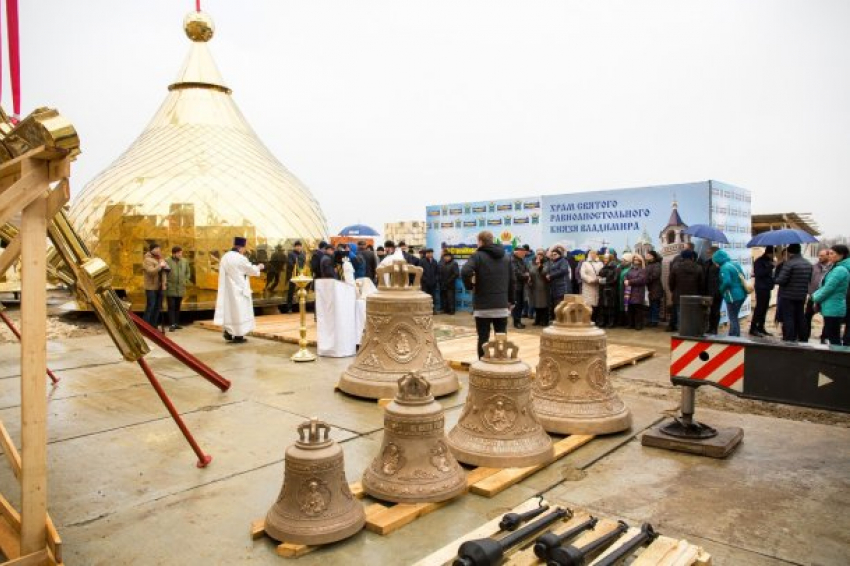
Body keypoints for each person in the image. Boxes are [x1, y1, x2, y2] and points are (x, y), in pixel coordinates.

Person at [461, 230, 514, 359]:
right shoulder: (506, 257)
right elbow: (512, 281)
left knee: (483, 338)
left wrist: (470, 286)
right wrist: (511, 301)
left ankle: (482, 365)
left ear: (480, 241)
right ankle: (501, 365)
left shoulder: (477, 256)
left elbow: (465, 271)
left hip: (483, 306)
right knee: (501, 338)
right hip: (501, 305)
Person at [213, 236, 265, 342]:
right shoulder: (240, 258)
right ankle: (238, 336)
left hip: (228, 290)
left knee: (230, 312)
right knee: (240, 312)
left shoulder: (225, 257)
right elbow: (250, 270)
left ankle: (228, 331)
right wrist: (259, 267)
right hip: (240, 290)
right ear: (241, 248)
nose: (244, 251)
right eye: (244, 249)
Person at [774, 243, 813, 342]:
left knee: (789, 318)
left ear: (790, 252)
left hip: (788, 295)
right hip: (802, 295)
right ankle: (803, 338)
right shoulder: (808, 263)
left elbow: (781, 280)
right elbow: (809, 279)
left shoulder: (789, 263)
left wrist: (775, 278)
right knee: (801, 316)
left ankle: (789, 338)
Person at [812, 245, 850, 345]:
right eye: (829, 253)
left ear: (841, 255)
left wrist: (815, 297)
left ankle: (838, 358)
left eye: (832, 253)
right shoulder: (836, 267)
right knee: (833, 335)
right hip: (831, 306)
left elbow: (828, 288)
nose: (829, 256)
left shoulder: (840, 270)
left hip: (834, 307)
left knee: (834, 337)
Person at [668, 249, 704, 332]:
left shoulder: (676, 266)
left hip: (678, 294)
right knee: (692, 314)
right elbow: (701, 283)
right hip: (694, 295)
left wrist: (673, 290)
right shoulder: (698, 267)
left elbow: (671, 281)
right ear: (692, 257)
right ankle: (691, 331)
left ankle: (682, 331)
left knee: (680, 313)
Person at [714, 249, 747, 337]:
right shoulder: (735, 264)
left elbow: (727, 282)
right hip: (742, 294)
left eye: (715, 262)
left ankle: (734, 337)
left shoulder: (724, 268)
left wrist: (721, 290)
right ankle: (733, 334)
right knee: (734, 316)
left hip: (733, 296)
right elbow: (742, 276)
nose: (715, 264)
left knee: (732, 317)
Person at [802, 248, 831, 342]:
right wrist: (809, 293)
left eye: (822, 255)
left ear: (828, 256)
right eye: (819, 255)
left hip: (825, 297)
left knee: (827, 318)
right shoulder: (813, 267)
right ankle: (805, 337)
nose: (820, 257)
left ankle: (824, 338)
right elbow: (807, 281)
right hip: (813, 296)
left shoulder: (833, 268)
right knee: (807, 317)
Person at [749, 246, 775, 337]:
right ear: (769, 253)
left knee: (764, 308)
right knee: (759, 308)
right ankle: (753, 328)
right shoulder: (759, 261)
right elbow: (759, 273)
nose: (773, 256)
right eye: (773, 254)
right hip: (761, 288)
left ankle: (761, 327)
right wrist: (770, 267)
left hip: (767, 288)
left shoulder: (769, 261)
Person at [165, 246, 190, 331]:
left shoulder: (184, 261)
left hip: (180, 287)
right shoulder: (167, 261)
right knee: (171, 306)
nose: (180, 254)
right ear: (174, 253)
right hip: (170, 287)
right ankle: (172, 324)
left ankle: (176, 323)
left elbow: (188, 272)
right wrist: (166, 283)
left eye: (181, 253)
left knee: (178, 306)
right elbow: (164, 273)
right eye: (179, 253)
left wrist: (185, 280)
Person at [142, 243, 168, 328]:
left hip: (159, 287)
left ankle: (154, 325)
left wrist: (164, 283)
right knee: (151, 306)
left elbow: (164, 272)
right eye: (156, 248)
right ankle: (145, 326)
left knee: (158, 307)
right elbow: (151, 272)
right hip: (151, 287)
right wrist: (160, 266)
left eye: (159, 249)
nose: (158, 250)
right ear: (151, 249)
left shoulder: (160, 259)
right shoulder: (147, 260)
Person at [624, 254, 648, 330]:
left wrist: (629, 282)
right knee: (630, 309)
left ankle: (638, 325)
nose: (635, 261)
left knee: (638, 309)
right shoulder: (631, 269)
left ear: (641, 261)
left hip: (638, 291)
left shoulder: (643, 270)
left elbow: (641, 280)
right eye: (634, 259)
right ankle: (631, 324)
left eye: (637, 259)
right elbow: (626, 276)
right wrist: (625, 280)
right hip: (629, 291)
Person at [282, 240, 306, 313]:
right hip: (293, 275)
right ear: (294, 247)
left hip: (301, 275)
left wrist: (303, 271)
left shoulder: (303, 254)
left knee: (301, 290)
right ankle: (289, 308)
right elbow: (290, 264)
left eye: (300, 246)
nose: (299, 247)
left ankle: (301, 306)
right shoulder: (291, 254)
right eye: (297, 246)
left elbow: (304, 264)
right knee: (291, 291)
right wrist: (297, 269)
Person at [580, 250, 603, 323]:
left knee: (596, 303)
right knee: (588, 303)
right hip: (588, 286)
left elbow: (603, 273)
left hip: (597, 285)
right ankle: (587, 320)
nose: (593, 255)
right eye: (592, 253)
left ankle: (595, 320)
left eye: (595, 253)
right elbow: (582, 274)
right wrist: (590, 280)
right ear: (589, 254)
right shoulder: (585, 263)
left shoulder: (600, 263)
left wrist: (599, 279)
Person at [528, 249, 550, 326]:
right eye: (538, 254)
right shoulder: (531, 263)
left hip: (543, 286)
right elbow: (530, 271)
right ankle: (537, 320)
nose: (539, 256)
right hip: (534, 286)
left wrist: (539, 265)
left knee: (544, 304)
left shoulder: (547, 263)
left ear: (543, 255)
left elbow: (544, 272)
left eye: (541, 254)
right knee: (536, 304)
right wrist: (529, 277)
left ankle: (545, 321)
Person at [703, 247, 723, 334]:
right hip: (708, 291)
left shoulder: (720, 264)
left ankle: (714, 328)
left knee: (715, 311)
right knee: (710, 311)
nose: (707, 254)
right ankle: (710, 328)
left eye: (709, 252)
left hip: (717, 292)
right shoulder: (707, 263)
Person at [510, 245, 530, 329]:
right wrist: (526, 276)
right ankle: (516, 322)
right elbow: (516, 273)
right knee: (517, 305)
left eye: (525, 252)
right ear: (517, 252)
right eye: (523, 252)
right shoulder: (512, 260)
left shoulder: (521, 260)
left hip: (522, 285)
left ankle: (518, 321)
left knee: (521, 304)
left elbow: (526, 270)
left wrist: (526, 275)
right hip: (516, 286)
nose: (524, 254)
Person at [597, 254, 619, 328]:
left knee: (610, 307)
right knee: (603, 306)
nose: (605, 260)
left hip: (611, 290)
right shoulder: (603, 267)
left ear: (610, 259)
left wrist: (604, 281)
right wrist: (600, 279)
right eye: (604, 258)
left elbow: (615, 280)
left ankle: (611, 322)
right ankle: (603, 321)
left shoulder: (615, 268)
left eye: (606, 258)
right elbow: (599, 275)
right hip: (603, 289)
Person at [645, 250, 664, 328]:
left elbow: (656, 275)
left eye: (648, 255)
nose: (646, 256)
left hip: (655, 288)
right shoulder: (648, 264)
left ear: (652, 256)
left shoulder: (657, 264)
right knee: (650, 305)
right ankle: (650, 320)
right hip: (649, 288)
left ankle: (654, 320)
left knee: (655, 305)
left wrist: (646, 279)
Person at [420, 248, 440, 313]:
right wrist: (425, 280)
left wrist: (435, 279)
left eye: (431, 253)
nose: (430, 254)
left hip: (433, 283)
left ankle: (433, 310)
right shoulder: (422, 261)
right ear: (426, 254)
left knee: (433, 297)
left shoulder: (434, 261)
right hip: (425, 284)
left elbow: (437, 272)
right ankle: (425, 310)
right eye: (428, 253)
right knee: (425, 297)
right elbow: (420, 272)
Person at [617, 253, 634, 326]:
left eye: (624, 260)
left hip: (627, 290)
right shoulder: (620, 268)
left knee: (626, 305)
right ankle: (621, 320)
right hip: (620, 289)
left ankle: (627, 321)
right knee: (621, 305)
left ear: (628, 261)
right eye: (622, 260)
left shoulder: (630, 269)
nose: (622, 262)